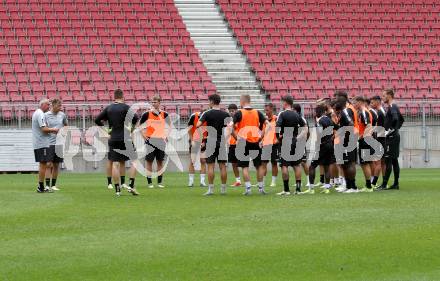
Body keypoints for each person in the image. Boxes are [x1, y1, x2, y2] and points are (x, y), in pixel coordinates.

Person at [95, 89, 139, 196]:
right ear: (122, 97)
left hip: (113, 138)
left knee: (115, 164)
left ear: (114, 97)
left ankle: (117, 190)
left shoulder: (109, 108)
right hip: (126, 138)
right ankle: (131, 185)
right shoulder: (125, 107)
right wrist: (132, 129)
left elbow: (97, 120)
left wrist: (107, 131)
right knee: (135, 162)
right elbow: (136, 118)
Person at [232, 94, 267, 195]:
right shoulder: (257, 112)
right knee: (259, 166)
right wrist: (261, 137)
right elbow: (267, 125)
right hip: (255, 142)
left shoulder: (239, 113)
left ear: (242, 101)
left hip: (243, 142)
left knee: (244, 167)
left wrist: (237, 138)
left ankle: (248, 189)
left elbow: (230, 127)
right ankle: (260, 188)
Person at [196, 94, 231, 195]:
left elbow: (198, 125)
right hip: (222, 141)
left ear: (211, 101)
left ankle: (210, 190)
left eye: (209, 101)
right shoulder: (225, 114)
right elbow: (230, 127)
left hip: (211, 141)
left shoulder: (207, 113)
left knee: (210, 166)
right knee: (222, 166)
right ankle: (223, 189)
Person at [276, 95, 307, 195]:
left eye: (282, 102)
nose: (281, 104)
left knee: (284, 166)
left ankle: (286, 190)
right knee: (296, 165)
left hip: (285, 141)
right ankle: (298, 190)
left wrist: (278, 136)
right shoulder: (297, 114)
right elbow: (305, 128)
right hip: (294, 141)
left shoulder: (282, 114)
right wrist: (297, 138)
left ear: (285, 103)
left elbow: (277, 127)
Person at [139, 95, 171, 188]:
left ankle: (159, 182)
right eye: (152, 102)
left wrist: (166, 135)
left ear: (159, 103)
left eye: (155, 102)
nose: (153, 104)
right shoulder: (146, 114)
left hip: (160, 140)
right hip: (150, 140)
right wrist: (143, 136)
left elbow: (170, 126)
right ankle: (149, 183)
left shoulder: (164, 114)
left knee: (160, 162)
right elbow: (140, 126)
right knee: (149, 161)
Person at [303, 103, 334, 194]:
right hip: (329, 145)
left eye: (316, 112)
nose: (314, 113)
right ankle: (327, 188)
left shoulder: (320, 122)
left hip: (321, 146)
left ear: (318, 112)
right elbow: (333, 133)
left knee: (312, 166)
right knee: (327, 167)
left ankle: (311, 189)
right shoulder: (329, 120)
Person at [377, 89, 404, 191]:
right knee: (394, 160)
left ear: (389, 96)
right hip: (394, 136)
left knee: (388, 160)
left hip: (392, 137)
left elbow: (396, 119)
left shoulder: (392, 106)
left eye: (383, 96)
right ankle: (396, 184)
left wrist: (390, 130)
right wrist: (396, 129)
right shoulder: (393, 106)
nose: (382, 98)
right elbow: (402, 119)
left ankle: (384, 184)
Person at [333, 97, 359, 193]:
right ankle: (348, 186)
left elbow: (351, 124)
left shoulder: (346, 111)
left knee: (349, 163)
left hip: (348, 141)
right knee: (344, 164)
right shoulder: (342, 113)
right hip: (345, 141)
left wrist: (346, 137)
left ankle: (353, 187)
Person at [32, 98, 59, 193]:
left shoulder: (37, 113)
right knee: (43, 164)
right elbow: (43, 129)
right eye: (48, 104)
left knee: (42, 164)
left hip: (39, 142)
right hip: (41, 143)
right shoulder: (40, 114)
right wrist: (54, 130)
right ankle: (41, 187)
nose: (49, 106)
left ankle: (41, 186)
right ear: (42, 105)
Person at [44, 99, 68, 191]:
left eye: (60, 106)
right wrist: (52, 130)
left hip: (59, 143)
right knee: (48, 164)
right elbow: (43, 128)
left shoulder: (62, 115)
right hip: (49, 142)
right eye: (58, 106)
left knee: (56, 164)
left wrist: (64, 132)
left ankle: (53, 185)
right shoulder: (46, 115)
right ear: (53, 105)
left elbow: (66, 125)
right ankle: (47, 185)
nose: (60, 107)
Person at [353, 96, 374, 192]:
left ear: (360, 102)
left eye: (355, 102)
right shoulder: (363, 112)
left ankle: (369, 186)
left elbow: (368, 125)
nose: (354, 104)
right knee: (366, 163)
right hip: (366, 140)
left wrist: (360, 137)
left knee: (365, 164)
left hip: (365, 141)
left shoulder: (364, 112)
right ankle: (369, 184)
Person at [292, 103, 311, 187]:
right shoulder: (293, 118)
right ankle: (298, 181)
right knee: (295, 163)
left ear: (296, 110)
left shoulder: (302, 119)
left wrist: (304, 140)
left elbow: (307, 131)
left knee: (303, 162)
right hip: (294, 143)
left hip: (300, 143)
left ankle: (309, 180)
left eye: (293, 109)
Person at [187, 109, 207, 187]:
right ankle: (191, 181)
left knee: (203, 160)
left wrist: (204, 141)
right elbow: (189, 128)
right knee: (193, 160)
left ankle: (202, 181)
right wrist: (192, 140)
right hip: (194, 140)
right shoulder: (194, 116)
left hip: (204, 141)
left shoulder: (208, 117)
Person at [370, 95, 386, 187]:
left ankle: (374, 183)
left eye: (373, 102)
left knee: (378, 162)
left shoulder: (380, 113)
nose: (371, 104)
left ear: (377, 102)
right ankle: (384, 182)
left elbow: (381, 128)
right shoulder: (381, 111)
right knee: (382, 162)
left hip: (380, 139)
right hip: (382, 139)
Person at [261, 103, 279, 188]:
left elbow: (280, 131)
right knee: (263, 163)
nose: (266, 112)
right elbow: (263, 131)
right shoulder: (265, 120)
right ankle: (263, 182)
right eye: (265, 110)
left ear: (272, 109)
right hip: (266, 144)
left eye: (267, 110)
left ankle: (273, 182)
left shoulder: (277, 119)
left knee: (274, 163)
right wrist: (261, 140)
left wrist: (278, 139)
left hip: (274, 144)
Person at [226, 104, 241, 187]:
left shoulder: (240, 119)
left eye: (233, 111)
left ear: (236, 110)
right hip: (232, 144)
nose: (232, 112)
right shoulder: (229, 120)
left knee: (242, 163)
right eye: (230, 111)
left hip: (240, 143)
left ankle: (247, 181)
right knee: (234, 163)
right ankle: (238, 180)